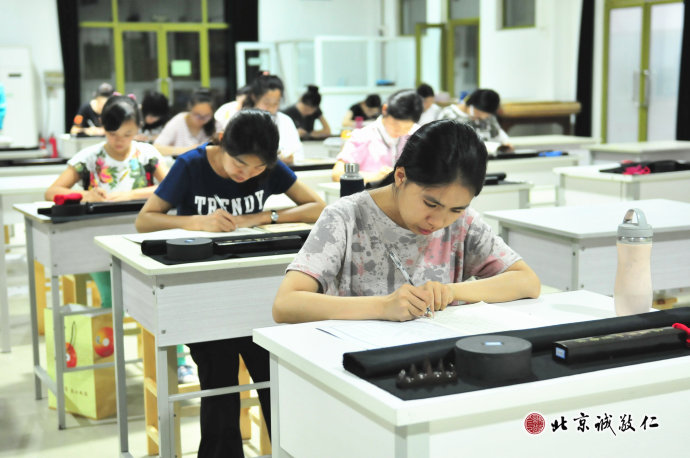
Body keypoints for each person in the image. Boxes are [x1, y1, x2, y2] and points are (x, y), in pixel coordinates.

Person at [135, 109, 326, 457]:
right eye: (241, 165)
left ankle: (292, 449)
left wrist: (257, 217)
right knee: (220, 384)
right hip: (204, 296)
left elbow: (317, 205)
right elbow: (145, 221)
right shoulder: (191, 165)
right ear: (222, 142)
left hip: (257, 295)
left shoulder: (266, 166)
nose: (248, 174)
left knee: (280, 379)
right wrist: (197, 223)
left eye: (258, 169)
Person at [273, 120, 541, 324]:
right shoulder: (345, 217)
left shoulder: (463, 224)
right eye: (430, 203)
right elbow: (286, 304)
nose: (438, 220)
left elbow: (527, 281)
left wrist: (449, 292)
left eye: (456, 208)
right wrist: (381, 307)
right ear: (400, 176)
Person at [45, 94, 168, 322]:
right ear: (103, 127)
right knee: (113, 298)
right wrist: (86, 194)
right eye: (112, 134)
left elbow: (171, 188)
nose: (119, 140)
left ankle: (173, 355)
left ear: (138, 129)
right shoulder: (90, 157)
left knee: (160, 299)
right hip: (99, 242)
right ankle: (108, 351)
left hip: (142, 239)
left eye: (128, 134)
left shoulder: (147, 154)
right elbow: (52, 191)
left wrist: (130, 194)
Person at [332, 89, 422, 185]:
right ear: (384, 110)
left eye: (406, 127)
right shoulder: (363, 136)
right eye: (395, 125)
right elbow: (337, 174)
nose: (399, 131)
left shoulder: (417, 135)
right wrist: (375, 177)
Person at [240, 73, 303, 165]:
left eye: (275, 103)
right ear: (254, 97)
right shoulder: (242, 120)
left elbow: (299, 155)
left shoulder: (285, 121)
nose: (271, 108)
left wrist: (291, 158)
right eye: (266, 103)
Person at [438, 88, 513, 152]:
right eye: (479, 113)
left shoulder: (488, 115)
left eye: (486, 115)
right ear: (471, 104)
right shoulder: (448, 114)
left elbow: (499, 134)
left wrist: (506, 142)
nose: (483, 118)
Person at [154, 88, 223, 157]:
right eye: (197, 115)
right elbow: (157, 147)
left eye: (207, 116)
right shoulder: (179, 121)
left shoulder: (216, 125)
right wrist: (187, 150)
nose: (202, 119)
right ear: (190, 109)